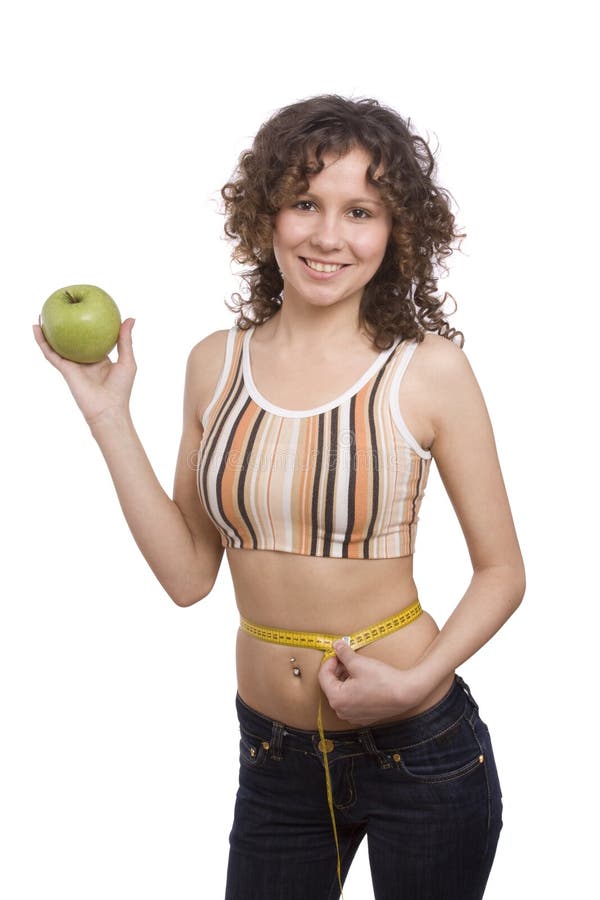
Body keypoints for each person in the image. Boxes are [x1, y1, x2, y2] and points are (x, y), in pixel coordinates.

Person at [33, 94, 526, 900]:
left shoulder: (428, 370)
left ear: (396, 231)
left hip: (418, 750)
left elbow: (502, 571)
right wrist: (108, 415)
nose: (328, 235)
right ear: (266, 214)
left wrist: (411, 683)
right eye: (305, 202)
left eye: (359, 210)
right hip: (273, 759)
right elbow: (191, 577)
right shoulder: (212, 365)